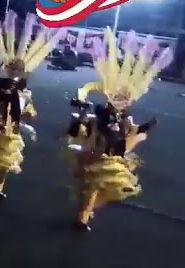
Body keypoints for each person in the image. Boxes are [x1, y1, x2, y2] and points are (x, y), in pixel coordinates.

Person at [65, 29, 172, 230]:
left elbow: (132, 130)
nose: (122, 101)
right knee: (92, 188)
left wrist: (147, 126)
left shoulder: (124, 117)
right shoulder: (103, 112)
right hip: (100, 154)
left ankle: (86, 213)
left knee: (108, 190)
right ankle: (82, 218)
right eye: (118, 98)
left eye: (125, 99)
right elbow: (95, 126)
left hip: (115, 156)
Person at [0, 11, 60, 199]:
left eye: (19, 70)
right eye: (13, 68)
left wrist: (28, 114)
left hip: (12, 129)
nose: (16, 72)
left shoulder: (23, 91)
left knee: (6, 160)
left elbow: (28, 108)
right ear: (7, 68)